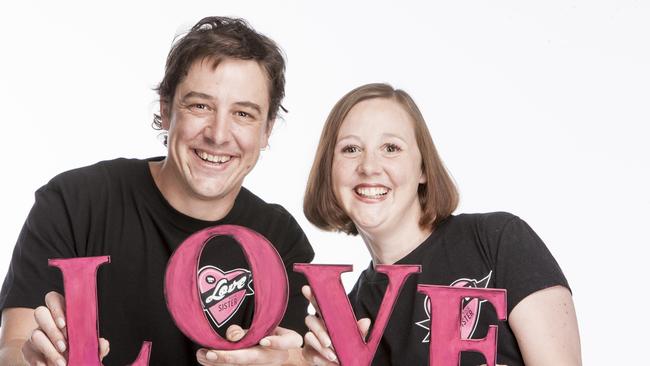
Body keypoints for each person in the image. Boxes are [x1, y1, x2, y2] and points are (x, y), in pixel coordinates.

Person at [0, 16, 314, 366]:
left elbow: (293, 356)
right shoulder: (76, 201)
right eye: (200, 106)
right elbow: (13, 345)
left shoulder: (280, 239)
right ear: (165, 110)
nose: (219, 134)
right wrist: (33, 360)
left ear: (267, 130)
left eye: (243, 113)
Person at [301, 83, 581, 365]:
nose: (369, 166)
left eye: (391, 148)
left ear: (423, 168)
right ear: (329, 171)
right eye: (350, 149)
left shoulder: (497, 241)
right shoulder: (352, 319)